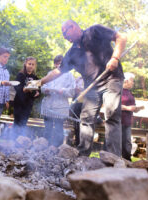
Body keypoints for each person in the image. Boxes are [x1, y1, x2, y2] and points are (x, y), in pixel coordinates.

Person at [33, 20, 127, 156]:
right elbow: (58, 72)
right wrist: (39, 82)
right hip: (91, 87)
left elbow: (121, 37)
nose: (64, 36)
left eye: (65, 31)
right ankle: (83, 154)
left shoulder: (94, 31)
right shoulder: (71, 53)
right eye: (63, 34)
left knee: (111, 115)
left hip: (111, 79)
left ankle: (113, 157)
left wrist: (115, 58)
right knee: (86, 118)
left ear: (75, 26)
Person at [40, 55, 75, 146]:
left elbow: (72, 92)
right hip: (48, 106)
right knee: (48, 128)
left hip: (60, 107)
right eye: (58, 63)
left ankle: (56, 148)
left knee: (59, 129)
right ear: (55, 64)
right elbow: (42, 86)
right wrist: (45, 90)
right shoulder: (50, 73)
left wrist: (62, 91)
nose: (60, 65)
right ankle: (44, 147)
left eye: (61, 63)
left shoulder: (69, 76)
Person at [13, 57, 40, 135]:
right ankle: (14, 139)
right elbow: (17, 87)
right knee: (17, 122)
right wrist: (24, 89)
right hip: (19, 103)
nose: (31, 66)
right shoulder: (20, 75)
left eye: (32, 64)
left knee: (23, 123)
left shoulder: (35, 78)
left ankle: (20, 141)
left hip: (28, 104)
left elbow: (37, 91)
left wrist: (37, 94)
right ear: (25, 64)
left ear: (35, 66)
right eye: (29, 64)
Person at [121, 72, 143, 160]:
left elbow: (132, 107)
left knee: (127, 143)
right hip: (118, 121)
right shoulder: (118, 90)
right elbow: (113, 105)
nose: (133, 83)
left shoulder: (129, 93)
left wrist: (137, 108)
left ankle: (127, 162)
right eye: (132, 81)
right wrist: (128, 108)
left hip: (128, 122)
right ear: (126, 81)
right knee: (117, 142)